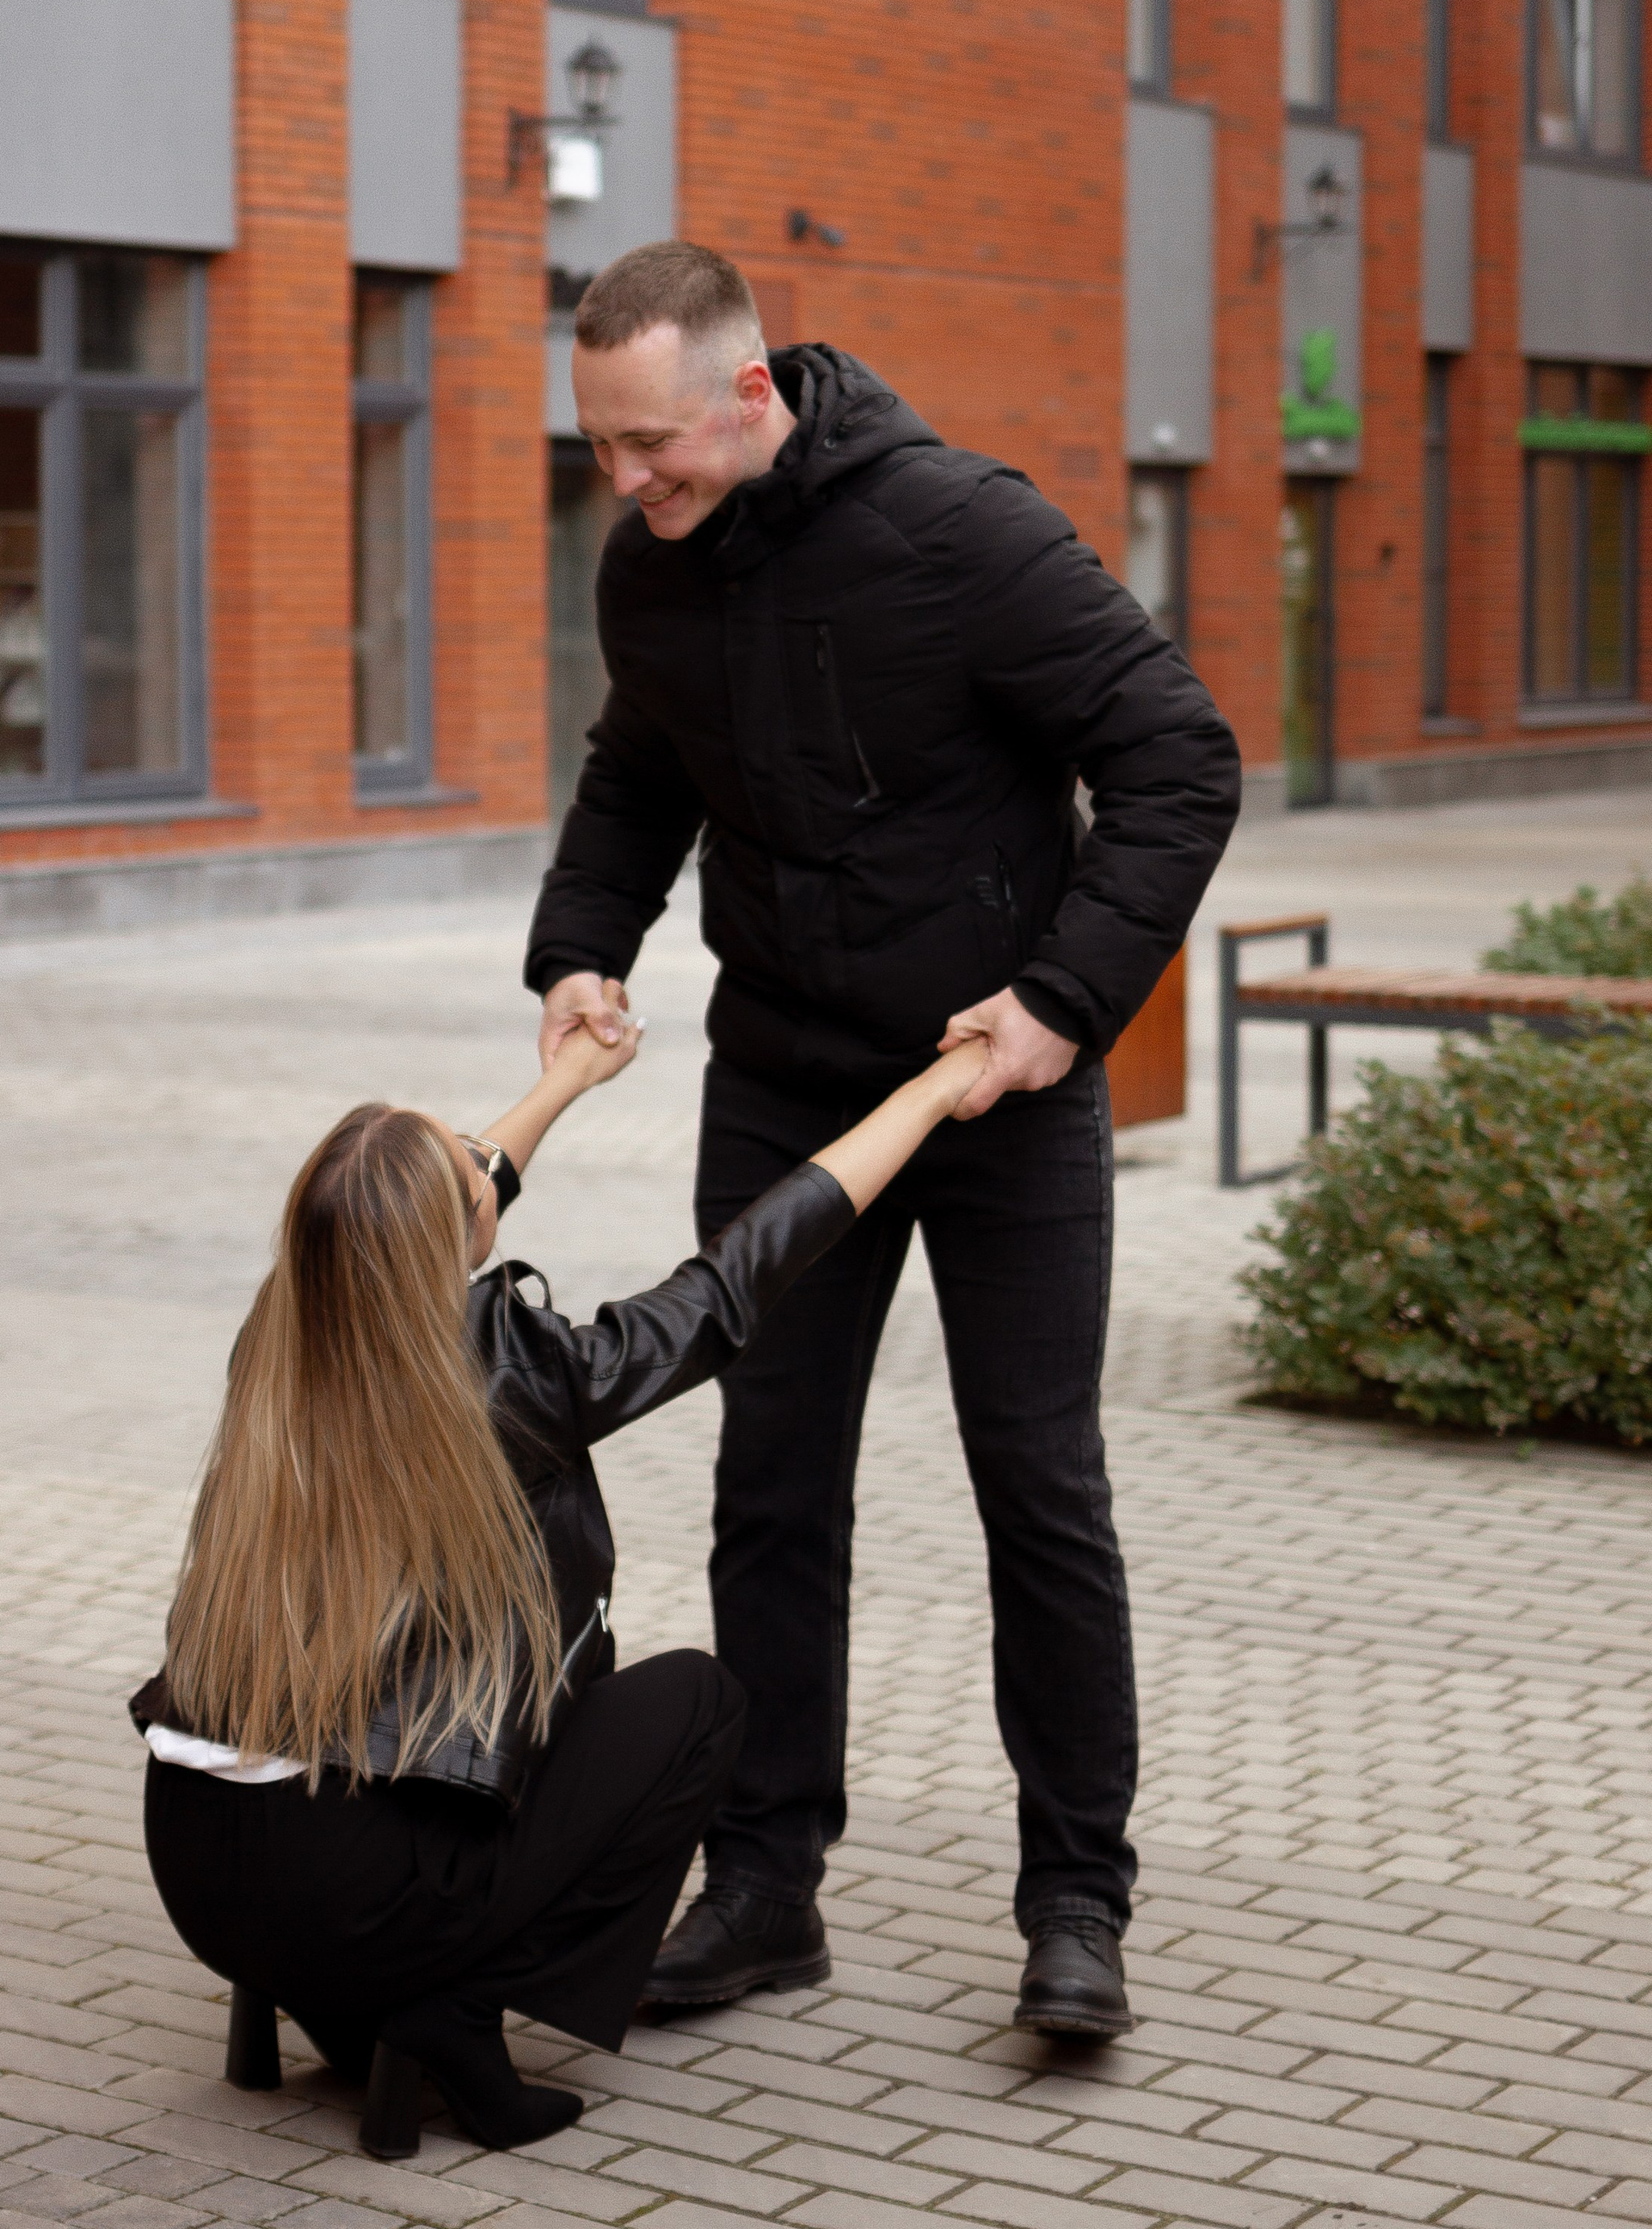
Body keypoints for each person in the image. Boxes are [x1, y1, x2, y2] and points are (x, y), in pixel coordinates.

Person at [527, 241, 1242, 2041]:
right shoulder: (652, 572)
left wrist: (1061, 1002)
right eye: (599, 448)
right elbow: (639, 771)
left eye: (648, 445)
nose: (623, 485)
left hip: (993, 1077)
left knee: (1037, 1486)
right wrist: (581, 948)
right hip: (784, 1081)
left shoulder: (960, 534)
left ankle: (1076, 1903)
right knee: (768, 1487)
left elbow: (1174, 754)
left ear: (749, 394)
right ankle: (764, 1887)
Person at [133, 1007, 992, 2158]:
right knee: (697, 1704)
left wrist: (574, 1079)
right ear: (459, 1236)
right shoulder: (511, 1382)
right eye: (471, 1163)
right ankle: (449, 2005)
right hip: (352, 1893)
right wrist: (934, 1094)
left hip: (201, 1877)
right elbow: (731, 1285)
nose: (492, 1160)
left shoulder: (283, 1336)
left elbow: (422, 1203)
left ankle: (342, 1995)